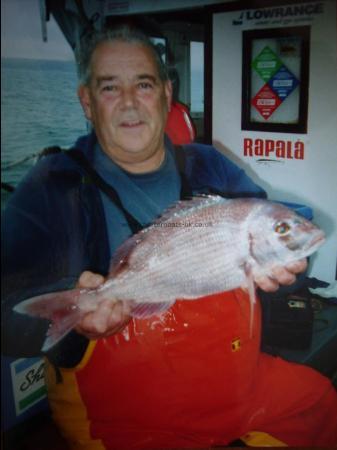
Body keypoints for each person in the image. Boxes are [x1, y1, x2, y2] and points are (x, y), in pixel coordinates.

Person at [2, 25, 337, 450]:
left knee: (320, 403)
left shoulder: (210, 166)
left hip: (233, 385)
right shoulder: (54, 186)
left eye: (143, 84)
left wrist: (287, 267)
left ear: (165, 92)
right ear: (86, 100)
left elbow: (275, 235)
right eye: (109, 88)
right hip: (124, 413)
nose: (129, 102)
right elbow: (5, 308)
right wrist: (73, 310)